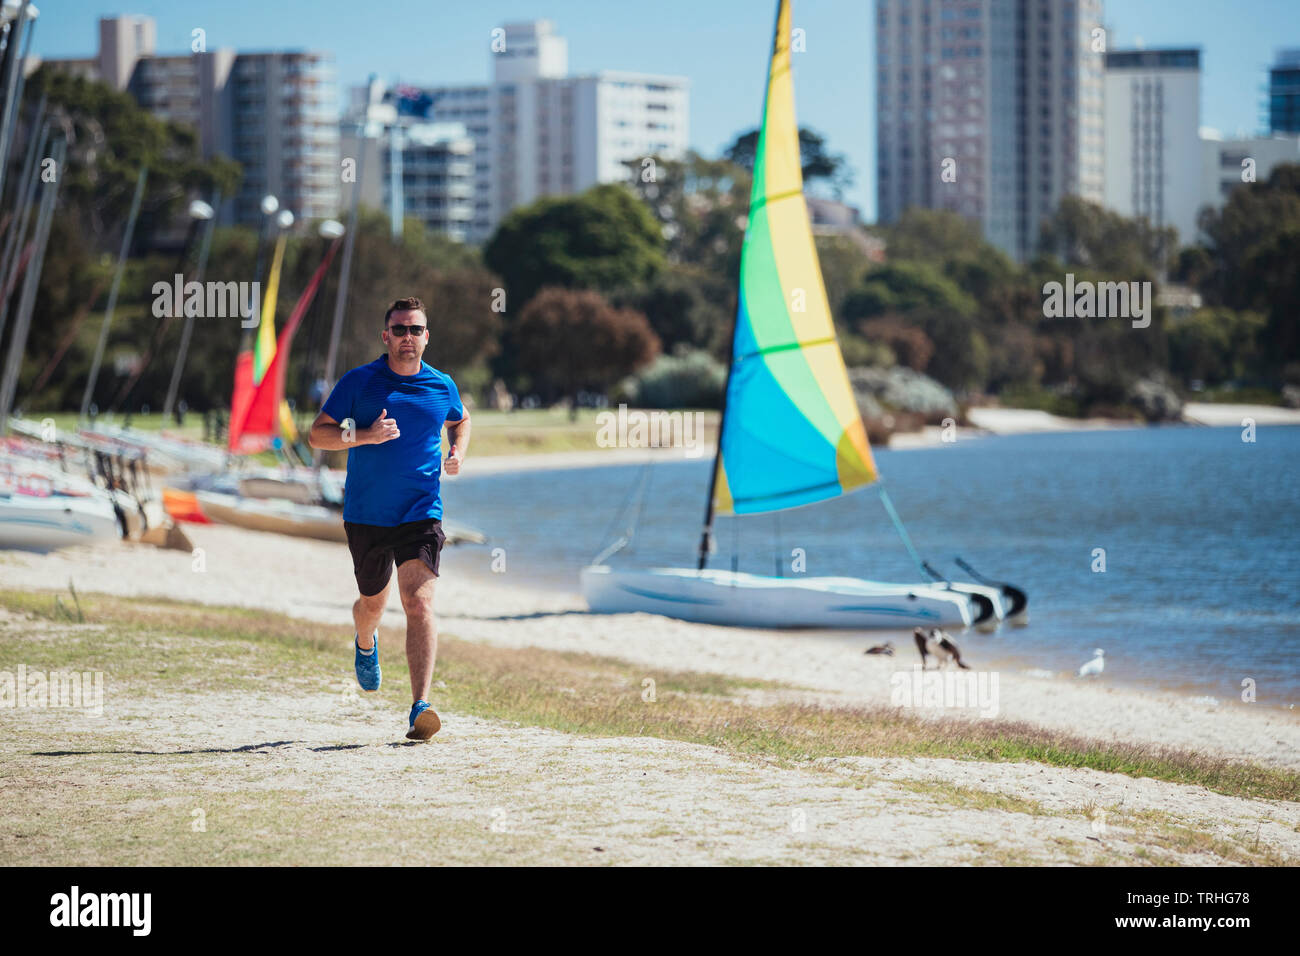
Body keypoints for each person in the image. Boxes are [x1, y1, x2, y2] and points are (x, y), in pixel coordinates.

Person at [308, 296, 470, 741]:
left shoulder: (442, 385)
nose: (407, 338)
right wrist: (365, 435)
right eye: (399, 330)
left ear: (426, 336)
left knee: (418, 602)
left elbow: (461, 420)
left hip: (421, 512)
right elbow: (318, 433)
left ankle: (421, 706)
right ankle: (365, 641)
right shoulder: (360, 382)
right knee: (373, 605)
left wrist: (457, 452)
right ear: (386, 336)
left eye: (415, 330)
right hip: (367, 515)